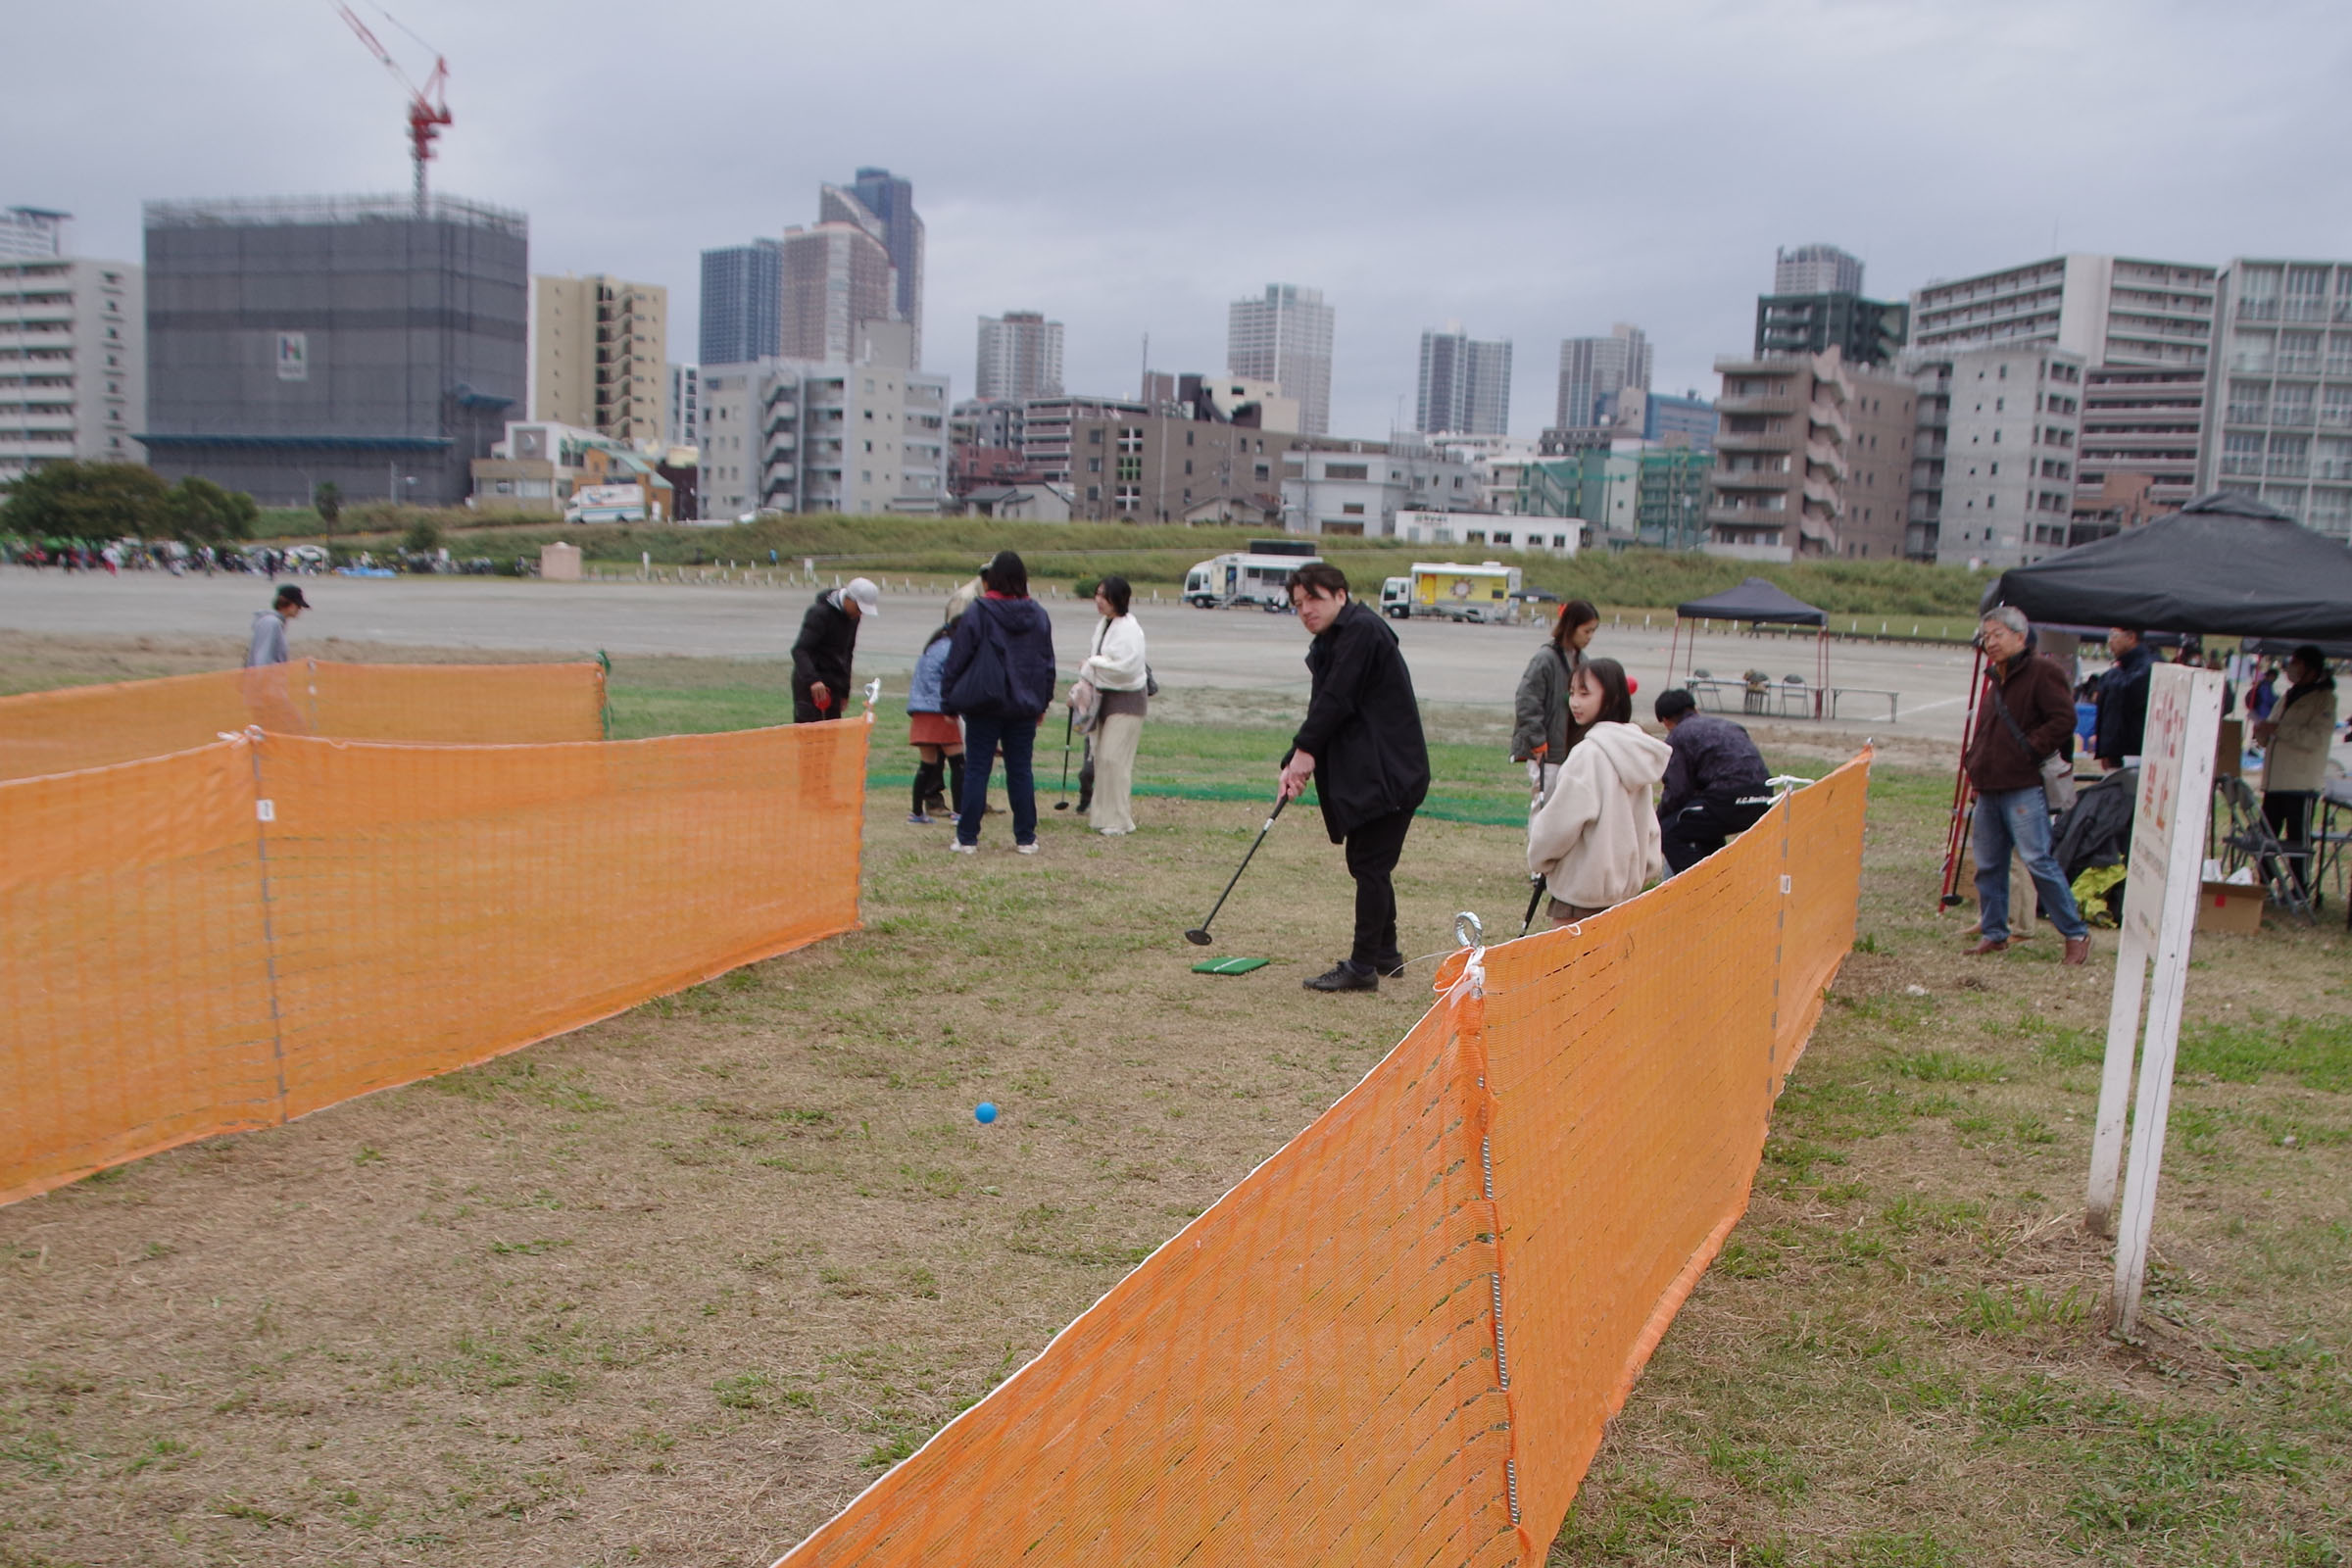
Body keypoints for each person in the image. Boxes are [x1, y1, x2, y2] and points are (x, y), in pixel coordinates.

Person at [1276, 564, 1431, 993]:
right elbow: (1324, 707)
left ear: (1341, 595)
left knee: (1370, 866)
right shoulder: (1335, 640)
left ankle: (1363, 966)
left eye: (1315, 599)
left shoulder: (1362, 631)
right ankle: (1385, 954)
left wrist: (1307, 753)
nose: (1306, 610)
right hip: (1378, 772)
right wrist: (1295, 756)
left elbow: (1338, 699)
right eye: (1299, 604)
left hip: (1392, 773)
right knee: (1370, 864)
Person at [1964, 606, 2091, 964]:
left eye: (1997, 635)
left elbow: (2064, 719)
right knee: (1988, 864)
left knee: (2037, 860)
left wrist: (2029, 751)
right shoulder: (1997, 678)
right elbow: (1988, 729)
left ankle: (2075, 932)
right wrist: (1975, 763)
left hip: (2022, 784)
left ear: (2020, 637)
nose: (1990, 643)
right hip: (1989, 785)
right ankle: (1994, 932)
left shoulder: (2043, 673)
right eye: (1986, 636)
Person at [1527, 658, 1669, 927]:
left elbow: (1559, 824)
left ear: (1612, 697)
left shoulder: (1588, 753)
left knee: (1568, 968)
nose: (1575, 702)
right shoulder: (1633, 749)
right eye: (1571, 693)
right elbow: (1650, 824)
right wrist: (1645, 867)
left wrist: (1540, 857)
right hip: (1624, 895)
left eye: (1585, 693)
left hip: (1580, 894)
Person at [941, 551, 1055, 855]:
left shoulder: (979, 612)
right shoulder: (1038, 614)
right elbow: (1047, 663)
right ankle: (1026, 837)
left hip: (985, 702)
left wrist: (948, 701)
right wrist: (1042, 702)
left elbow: (958, 658)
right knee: (1021, 770)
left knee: (977, 768)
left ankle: (967, 837)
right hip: (1024, 705)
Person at [1652, 688, 1774, 873]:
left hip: (1728, 799)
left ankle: (1694, 888)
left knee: (1669, 830)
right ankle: (1720, 880)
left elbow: (1678, 790)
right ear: (1695, 708)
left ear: (1666, 721)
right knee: (1702, 826)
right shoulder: (1730, 725)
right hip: (1764, 796)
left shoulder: (1679, 735)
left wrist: (1659, 818)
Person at [2252, 645, 2338, 900]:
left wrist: (2277, 729)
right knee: (2267, 834)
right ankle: (2264, 883)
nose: (2291, 668)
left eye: (2297, 663)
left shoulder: (2324, 699)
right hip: (2274, 779)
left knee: (2297, 840)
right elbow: (2271, 729)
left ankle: (2299, 888)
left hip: (2300, 782)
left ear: (2310, 668)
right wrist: (2262, 731)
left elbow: (2314, 739)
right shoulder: (2288, 694)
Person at [1073, 574, 1148, 836]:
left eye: (1105, 596)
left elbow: (1127, 667)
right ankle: (1102, 815)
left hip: (1127, 703)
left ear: (1119, 599)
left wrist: (1093, 665)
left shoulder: (1129, 629)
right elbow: (1102, 660)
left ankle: (1120, 820)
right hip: (1105, 700)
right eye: (1098, 595)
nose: (1099, 601)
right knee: (1102, 759)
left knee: (1114, 759)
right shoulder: (1104, 624)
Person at [1511, 599, 1601, 807]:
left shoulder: (1583, 661)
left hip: (1570, 749)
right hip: (1546, 751)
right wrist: (1537, 740)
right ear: (1571, 626)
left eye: (1593, 631)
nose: (1590, 637)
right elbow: (1527, 701)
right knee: (1544, 805)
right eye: (1586, 631)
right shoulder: (1545, 659)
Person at [791, 576, 881, 723]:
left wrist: (844, 691)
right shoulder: (819, 613)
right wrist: (813, 681)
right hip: (810, 684)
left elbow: (847, 653)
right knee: (809, 737)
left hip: (834, 685)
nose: (860, 614)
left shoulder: (853, 618)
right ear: (849, 598)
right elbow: (800, 651)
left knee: (832, 735)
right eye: (858, 608)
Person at [906, 620, 964, 825]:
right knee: (958, 762)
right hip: (940, 711)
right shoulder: (952, 649)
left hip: (920, 711)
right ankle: (959, 812)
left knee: (927, 765)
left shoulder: (932, 649)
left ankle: (916, 812)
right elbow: (952, 679)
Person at [2093, 626, 2153, 771]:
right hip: (2117, 754)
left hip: (2134, 755)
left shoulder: (2148, 666)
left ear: (2131, 637)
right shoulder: (2123, 667)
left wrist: (2112, 675)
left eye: (2114, 635)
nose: (2110, 642)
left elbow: (2126, 694)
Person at [245, 585, 310, 666]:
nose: (300, 609)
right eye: (298, 605)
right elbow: (262, 659)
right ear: (286, 603)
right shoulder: (271, 623)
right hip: (265, 677)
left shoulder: (274, 622)